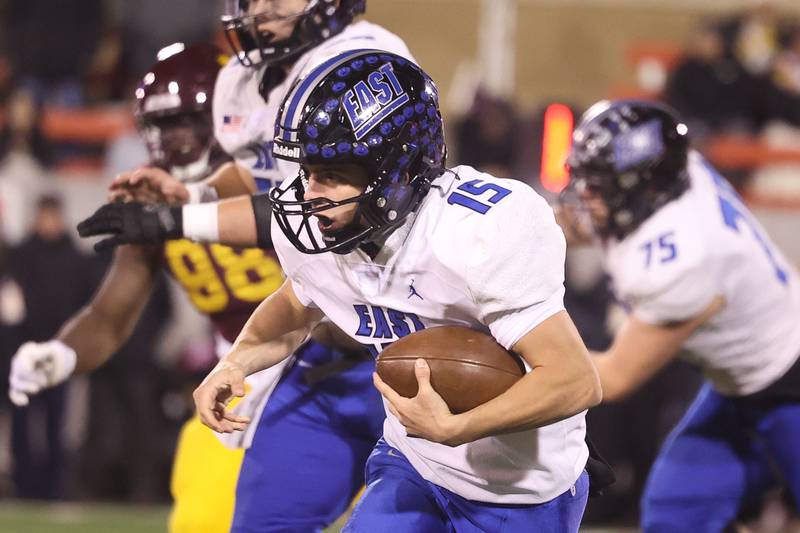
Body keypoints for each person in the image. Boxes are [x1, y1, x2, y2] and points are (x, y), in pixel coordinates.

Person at [86, 50, 602, 531]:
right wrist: (235, 363)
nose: (308, 195)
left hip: (523, 489)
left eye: (331, 174)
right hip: (415, 463)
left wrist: (459, 427)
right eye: (307, 173)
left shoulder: (481, 231)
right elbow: (296, 302)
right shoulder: (314, 227)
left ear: (397, 171)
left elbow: (575, 380)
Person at [559, 99, 800, 532]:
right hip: (739, 385)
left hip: (789, 384)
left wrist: (524, 358)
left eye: (600, 184)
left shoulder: (685, 255)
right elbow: (574, 225)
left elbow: (614, 377)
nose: (586, 195)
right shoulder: (668, 181)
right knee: (677, 512)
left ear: (644, 187)